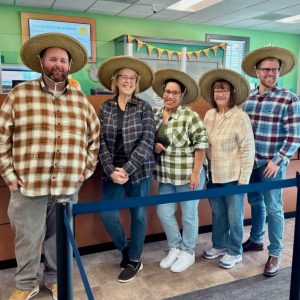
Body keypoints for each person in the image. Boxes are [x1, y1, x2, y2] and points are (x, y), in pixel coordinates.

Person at [0, 33, 100, 300]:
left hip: (67, 185)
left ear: (69, 66)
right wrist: (9, 176)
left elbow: (94, 138)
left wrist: (85, 171)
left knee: (60, 240)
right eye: (53, 58)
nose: (58, 64)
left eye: (63, 60)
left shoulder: (81, 101)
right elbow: (2, 138)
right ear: (41, 62)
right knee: (27, 239)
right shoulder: (20, 95)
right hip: (27, 184)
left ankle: (57, 280)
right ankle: (25, 284)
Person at [241, 46, 300, 276]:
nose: (271, 73)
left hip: (272, 164)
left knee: (274, 208)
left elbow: (295, 137)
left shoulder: (289, 99)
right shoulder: (248, 99)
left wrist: (278, 160)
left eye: (275, 70)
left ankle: (275, 252)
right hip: (251, 164)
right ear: (257, 71)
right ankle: (256, 239)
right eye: (266, 69)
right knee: (255, 202)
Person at [97, 56, 155, 283]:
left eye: (132, 78)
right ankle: (125, 250)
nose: (128, 81)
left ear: (136, 82)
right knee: (107, 214)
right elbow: (99, 140)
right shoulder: (106, 107)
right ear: (115, 80)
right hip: (112, 171)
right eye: (124, 77)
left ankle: (135, 260)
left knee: (138, 215)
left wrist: (128, 169)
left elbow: (147, 140)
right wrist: (111, 170)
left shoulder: (144, 106)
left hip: (139, 170)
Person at [152, 69, 208, 272]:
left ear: (182, 95)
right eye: (167, 91)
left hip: (188, 174)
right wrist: (156, 146)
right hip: (167, 175)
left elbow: (201, 144)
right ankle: (175, 247)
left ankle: (188, 251)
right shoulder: (156, 114)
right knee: (164, 212)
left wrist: (196, 172)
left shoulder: (189, 115)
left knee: (189, 215)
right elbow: (153, 140)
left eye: (175, 93)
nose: (170, 96)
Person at [199, 68, 255, 269]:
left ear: (232, 93)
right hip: (213, 175)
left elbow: (248, 149)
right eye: (216, 90)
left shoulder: (240, 117)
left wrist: (244, 180)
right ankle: (219, 245)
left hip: (233, 177)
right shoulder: (209, 114)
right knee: (218, 213)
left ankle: (234, 251)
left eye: (223, 90)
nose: (220, 94)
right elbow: (202, 142)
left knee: (234, 216)